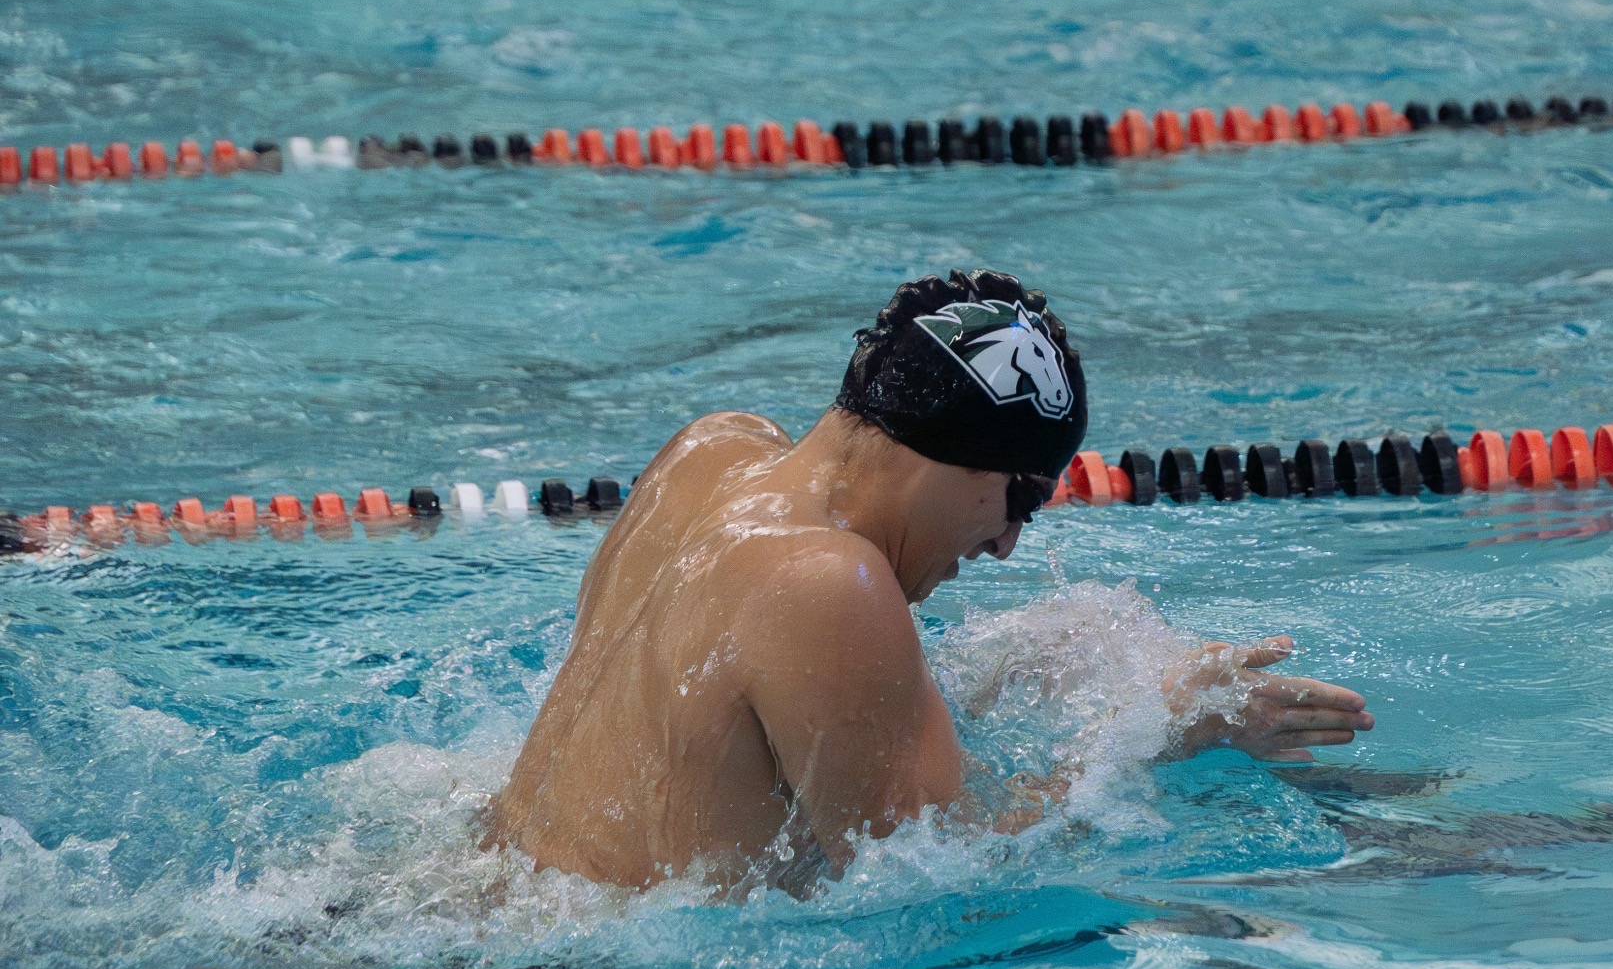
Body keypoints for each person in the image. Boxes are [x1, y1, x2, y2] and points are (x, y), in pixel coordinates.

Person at [488, 270, 1374, 893]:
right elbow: (936, 875)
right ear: (954, 456)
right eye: (1019, 496)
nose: (1007, 546)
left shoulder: (711, 452)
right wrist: (1154, 731)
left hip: (473, 890)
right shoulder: (831, 581)